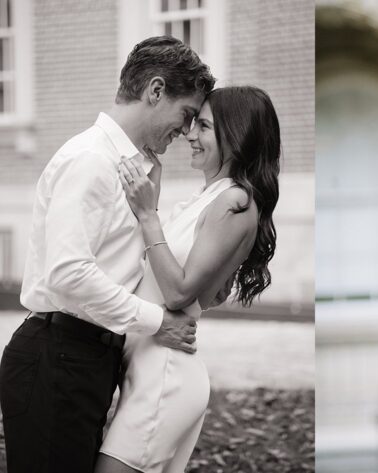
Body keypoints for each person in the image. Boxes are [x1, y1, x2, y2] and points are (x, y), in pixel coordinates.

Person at [0, 36, 214, 472]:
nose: (186, 131)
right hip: (57, 356)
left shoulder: (135, 168)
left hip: (85, 357)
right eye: (186, 114)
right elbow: (69, 272)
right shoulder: (91, 160)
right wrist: (160, 324)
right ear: (156, 91)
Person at [94, 85, 281, 472]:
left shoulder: (235, 203)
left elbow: (178, 293)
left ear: (237, 135)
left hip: (166, 376)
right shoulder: (209, 197)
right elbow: (195, 287)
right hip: (144, 365)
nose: (190, 135)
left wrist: (148, 214)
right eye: (193, 123)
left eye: (205, 127)